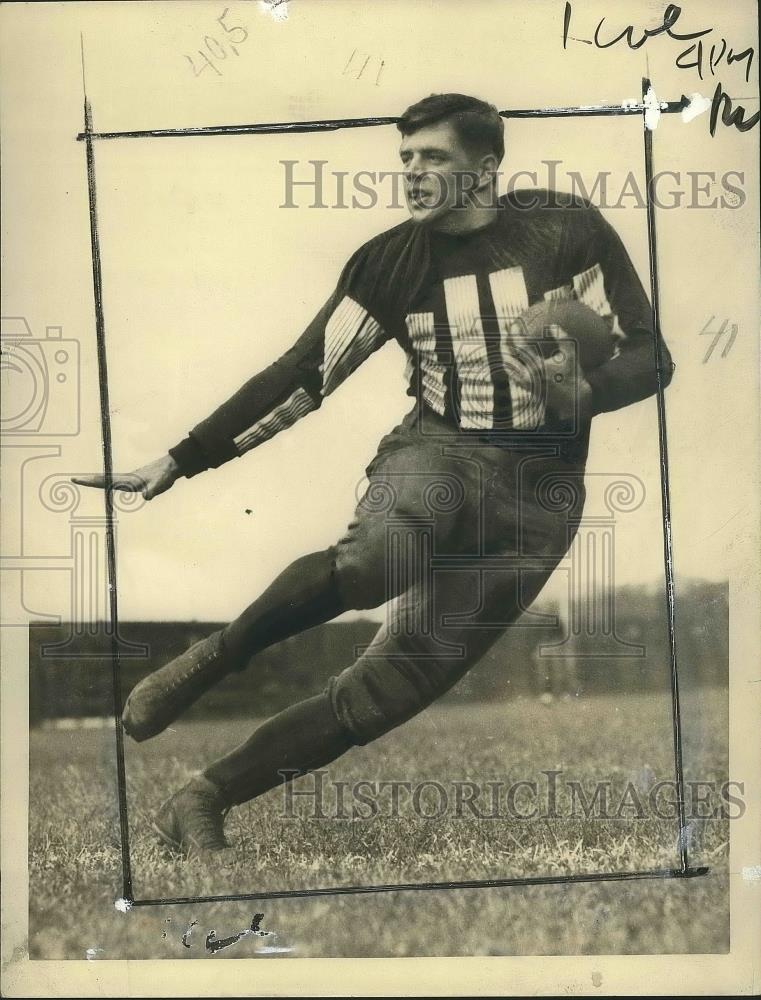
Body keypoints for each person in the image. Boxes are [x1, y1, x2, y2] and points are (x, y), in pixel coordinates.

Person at [74, 93, 673, 857]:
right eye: (406, 160)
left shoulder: (567, 227)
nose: (414, 175)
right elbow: (303, 373)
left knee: (394, 688)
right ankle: (214, 658)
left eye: (434, 159)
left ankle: (202, 796)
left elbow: (648, 354)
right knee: (377, 556)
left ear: (485, 169)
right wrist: (182, 457)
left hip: (541, 494)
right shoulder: (388, 261)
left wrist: (587, 391)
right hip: (441, 448)